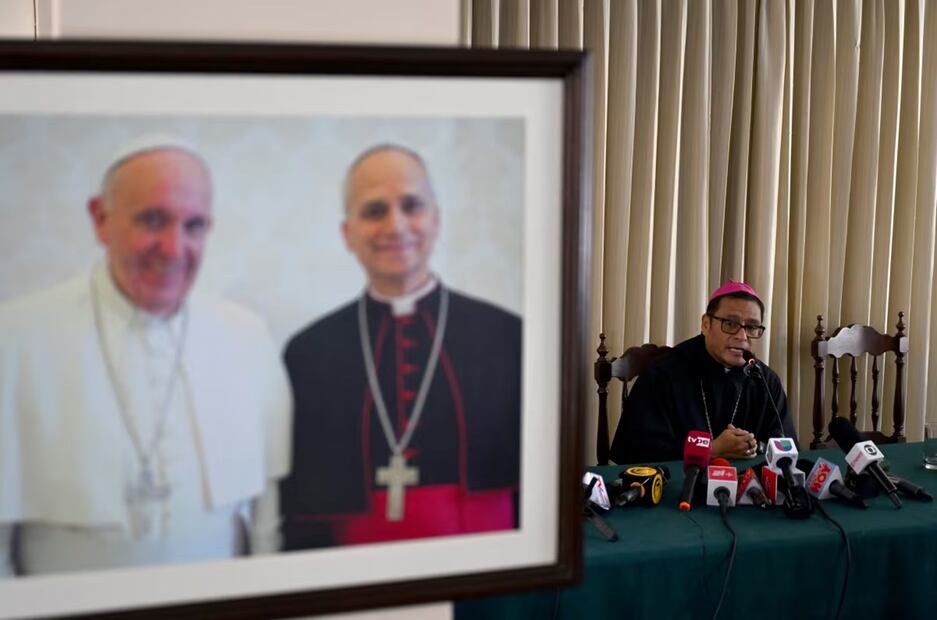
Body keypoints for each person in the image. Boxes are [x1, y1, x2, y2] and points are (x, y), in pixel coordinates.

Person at [0, 138, 291, 576]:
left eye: (194, 226)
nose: (174, 249)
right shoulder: (16, 336)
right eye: (153, 220)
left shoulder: (246, 334)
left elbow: (267, 501)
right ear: (101, 219)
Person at [279, 144, 521, 549]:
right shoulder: (308, 352)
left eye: (412, 205)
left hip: (486, 560)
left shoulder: (507, 335)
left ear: (436, 220)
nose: (396, 225)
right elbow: (302, 508)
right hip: (358, 572)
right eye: (374, 211)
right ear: (347, 234)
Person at [609, 280, 797, 464]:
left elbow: (785, 448)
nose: (742, 336)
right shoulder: (663, 374)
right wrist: (710, 450)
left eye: (751, 327)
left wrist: (757, 447)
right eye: (730, 324)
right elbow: (635, 452)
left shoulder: (765, 380)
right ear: (706, 324)